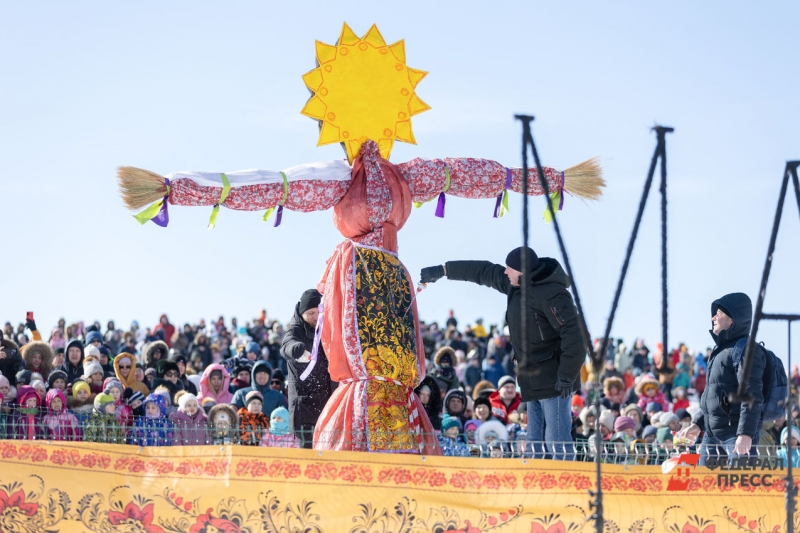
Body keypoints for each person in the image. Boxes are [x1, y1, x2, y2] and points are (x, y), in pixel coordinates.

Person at [421, 246, 585, 460]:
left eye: (510, 268)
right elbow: (483, 271)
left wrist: (567, 374)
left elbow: (575, 334)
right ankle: (538, 486)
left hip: (555, 378)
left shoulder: (551, 293)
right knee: (534, 441)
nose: (506, 272)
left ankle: (566, 484)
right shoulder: (515, 285)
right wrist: (444, 270)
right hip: (531, 378)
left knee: (556, 438)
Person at [677, 293, 765, 465]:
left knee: (738, 490)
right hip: (712, 437)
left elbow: (752, 395)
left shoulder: (746, 350)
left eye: (719, 313)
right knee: (703, 491)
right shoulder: (718, 351)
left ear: (732, 319)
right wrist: (697, 425)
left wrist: (746, 434)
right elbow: (715, 397)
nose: (713, 317)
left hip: (737, 438)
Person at [281, 289, 336, 448]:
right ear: (302, 312)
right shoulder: (296, 329)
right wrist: (296, 348)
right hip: (302, 404)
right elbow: (286, 345)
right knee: (307, 452)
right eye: (310, 313)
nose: (314, 316)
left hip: (325, 400)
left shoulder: (326, 329)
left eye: (317, 312)